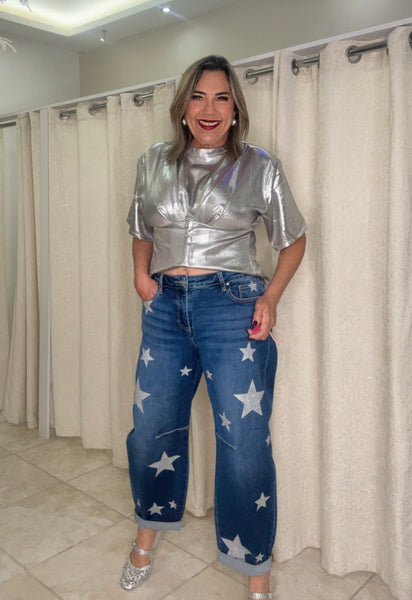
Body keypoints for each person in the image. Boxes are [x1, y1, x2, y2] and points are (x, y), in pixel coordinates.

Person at [121, 55, 306, 599]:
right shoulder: (153, 161)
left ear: (235, 109)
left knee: (244, 441)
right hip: (165, 308)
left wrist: (271, 296)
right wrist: (141, 277)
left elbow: (293, 239)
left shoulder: (259, 165)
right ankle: (147, 534)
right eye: (198, 96)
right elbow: (140, 228)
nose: (209, 108)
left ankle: (256, 572)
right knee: (151, 430)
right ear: (183, 108)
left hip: (232, 306)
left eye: (221, 97)